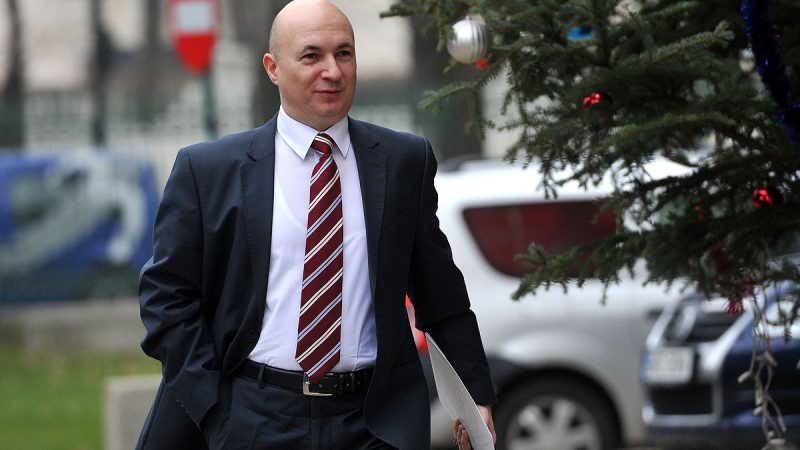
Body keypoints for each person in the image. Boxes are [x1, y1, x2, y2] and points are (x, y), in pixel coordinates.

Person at [136, 0, 496, 448]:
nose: (333, 71)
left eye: (344, 53)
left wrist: (475, 396)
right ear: (273, 68)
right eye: (312, 56)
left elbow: (440, 294)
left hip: (375, 422)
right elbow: (166, 297)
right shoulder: (209, 170)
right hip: (255, 418)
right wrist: (212, 405)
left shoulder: (404, 161)